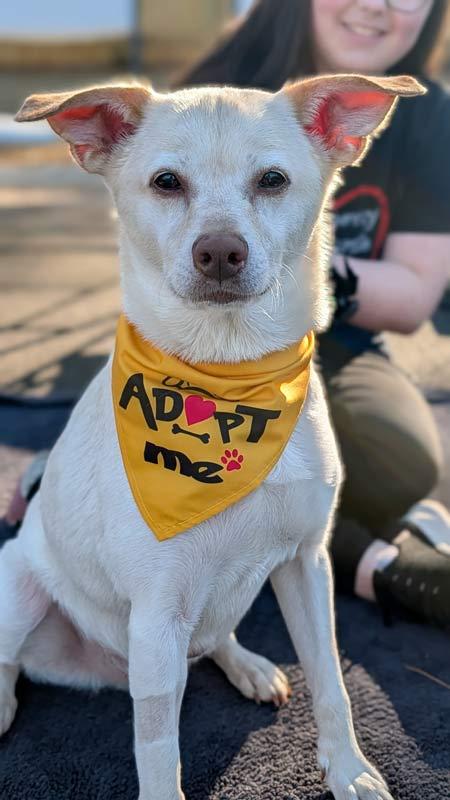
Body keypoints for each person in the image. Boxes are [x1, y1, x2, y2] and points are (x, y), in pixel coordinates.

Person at [178, 0, 450, 626]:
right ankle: (380, 562)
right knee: (211, 456)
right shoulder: (218, 85)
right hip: (207, 342)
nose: (375, 6)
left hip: (337, 335)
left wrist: (285, 262)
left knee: (403, 460)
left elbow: (411, 298)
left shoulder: (430, 114)